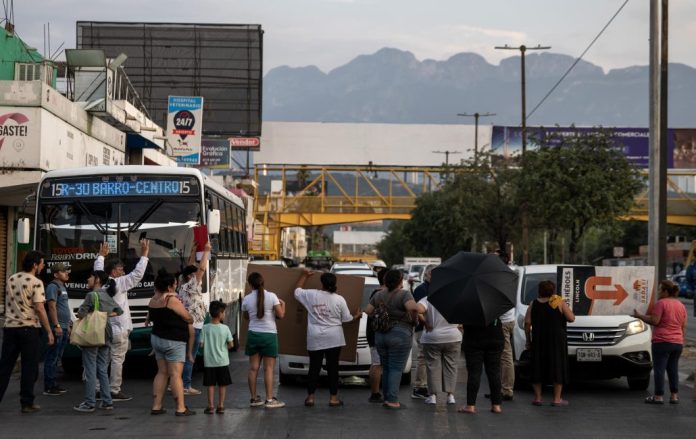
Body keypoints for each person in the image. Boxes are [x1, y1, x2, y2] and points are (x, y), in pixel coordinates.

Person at [294, 269, 361, 407]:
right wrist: (357, 316)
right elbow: (347, 319)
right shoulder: (339, 299)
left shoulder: (311, 294)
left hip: (315, 337)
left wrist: (304, 275)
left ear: (321, 283)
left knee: (314, 368)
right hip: (334, 338)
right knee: (333, 368)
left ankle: (311, 397)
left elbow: (296, 291)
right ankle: (333, 398)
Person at [94, 239, 150, 402]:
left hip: (104, 328)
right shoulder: (118, 283)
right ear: (113, 271)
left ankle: (98, 388)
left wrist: (101, 256)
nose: (123, 271)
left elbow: (98, 270)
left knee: (103, 359)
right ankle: (113, 390)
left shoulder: (101, 283)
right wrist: (144, 255)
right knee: (118, 359)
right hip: (118, 329)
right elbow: (137, 274)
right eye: (120, 269)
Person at [0, 251, 54, 413]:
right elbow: (40, 308)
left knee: (5, 367)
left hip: (9, 327)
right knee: (29, 367)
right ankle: (27, 402)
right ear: (35, 265)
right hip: (28, 329)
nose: (43, 266)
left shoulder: (11, 278)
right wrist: (49, 331)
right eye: (42, 263)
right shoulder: (36, 282)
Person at [364, 269, 424, 409]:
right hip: (400, 334)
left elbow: (368, 311)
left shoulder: (378, 294)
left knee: (387, 368)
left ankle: (386, 398)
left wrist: (382, 318)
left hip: (380, 335)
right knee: (396, 368)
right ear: (399, 281)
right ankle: (392, 400)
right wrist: (414, 321)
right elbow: (414, 308)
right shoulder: (404, 294)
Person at [73, 271, 123, 413]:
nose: (88, 279)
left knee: (90, 369)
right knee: (102, 368)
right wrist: (104, 315)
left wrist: (92, 315)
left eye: (90, 277)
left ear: (97, 280)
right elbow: (119, 311)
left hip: (93, 334)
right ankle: (107, 401)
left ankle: (89, 403)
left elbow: (80, 314)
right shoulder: (107, 295)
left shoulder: (91, 295)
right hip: (106, 333)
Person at [147, 270, 196, 416]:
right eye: (175, 284)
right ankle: (181, 408)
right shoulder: (171, 301)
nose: (176, 286)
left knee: (161, 372)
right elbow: (188, 317)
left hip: (157, 339)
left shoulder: (153, 300)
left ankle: (156, 406)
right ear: (169, 287)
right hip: (173, 341)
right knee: (175, 375)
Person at [633, 280, 687, 404]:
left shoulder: (661, 303)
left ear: (666, 291)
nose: (658, 292)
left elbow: (655, 320)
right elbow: (683, 326)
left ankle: (658, 396)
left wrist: (639, 316)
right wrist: (680, 339)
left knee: (659, 369)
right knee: (673, 369)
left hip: (662, 342)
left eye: (660, 289)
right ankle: (674, 396)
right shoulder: (681, 305)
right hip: (677, 343)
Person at [524, 280, 575, 407]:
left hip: (539, 339)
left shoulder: (533, 303)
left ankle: (538, 398)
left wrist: (528, 340)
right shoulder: (557, 301)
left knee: (537, 366)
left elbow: (527, 323)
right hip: (556, 341)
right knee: (557, 366)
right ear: (553, 291)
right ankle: (557, 399)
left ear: (539, 291)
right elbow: (571, 318)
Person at [242, 272, 286, 409]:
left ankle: (254, 399)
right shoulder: (272, 296)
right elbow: (281, 315)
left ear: (250, 284)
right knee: (269, 369)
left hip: (253, 335)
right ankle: (269, 400)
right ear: (263, 282)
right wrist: (283, 304)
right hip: (269, 336)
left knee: (253, 368)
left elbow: (246, 317)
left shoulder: (247, 299)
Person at [178, 240, 212, 396]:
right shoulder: (192, 285)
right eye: (194, 273)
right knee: (189, 357)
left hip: (183, 325)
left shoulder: (181, 285)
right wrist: (205, 251)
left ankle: (177, 384)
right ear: (191, 276)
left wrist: (193, 252)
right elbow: (202, 268)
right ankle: (186, 386)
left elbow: (190, 267)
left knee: (182, 356)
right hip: (195, 326)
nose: (196, 274)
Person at [419, 294, 462, 405]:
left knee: (433, 367)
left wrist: (424, 322)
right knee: (451, 366)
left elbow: (417, 309)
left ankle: (433, 396)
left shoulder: (428, 298)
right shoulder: (456, 298)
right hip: (453, 336)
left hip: (432, 337)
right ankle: (450, 396)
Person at [458, 318, 505, 414]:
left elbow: (465, 326)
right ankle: (496, 405)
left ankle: (470, 405)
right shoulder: (495, 305)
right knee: (494, 372)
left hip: (474, 340)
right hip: (495, 337)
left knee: (474, 372)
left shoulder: (469, 306)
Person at [43, 262, 73, 396]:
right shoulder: (52, 287)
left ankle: (54, 383)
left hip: (65, 327)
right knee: (52, 357)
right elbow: (52, 307)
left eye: (66, 271)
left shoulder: (62, 286)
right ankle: (49, 386)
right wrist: (56, 326)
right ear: (56, 274)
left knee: (58, 357)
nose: (67, 273)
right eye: (63, 271)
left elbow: (64, 307)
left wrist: (69, 325)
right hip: (58, 328)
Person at [200, 301, 234, 414]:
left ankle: (210, 406)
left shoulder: (205, 328)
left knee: (210, 385)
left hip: (209, 362)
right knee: (222, 384)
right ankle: (221, 405)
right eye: (224, 312)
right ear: (220, 313)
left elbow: (201, 344)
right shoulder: (225, 328)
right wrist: (223, 349)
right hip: (222, 362)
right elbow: (231, 344)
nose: (224, 314)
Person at [410, 266, 431, 400]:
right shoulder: (422, 289)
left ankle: (425, 385)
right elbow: (418, 311)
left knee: (427, 358)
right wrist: (426, 324)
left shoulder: (432, 289)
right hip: (423, 329)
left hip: (430, 329)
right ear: (429, 274)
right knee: (423, 357)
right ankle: (419, 387)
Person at [366, 268, 386, 403]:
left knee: (376, 363)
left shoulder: (375, 293)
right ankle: (375, 393)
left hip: (373, 333)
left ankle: (375, 392)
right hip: (378, 334)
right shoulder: (381, 294)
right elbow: (369, 312)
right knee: (377, 364)